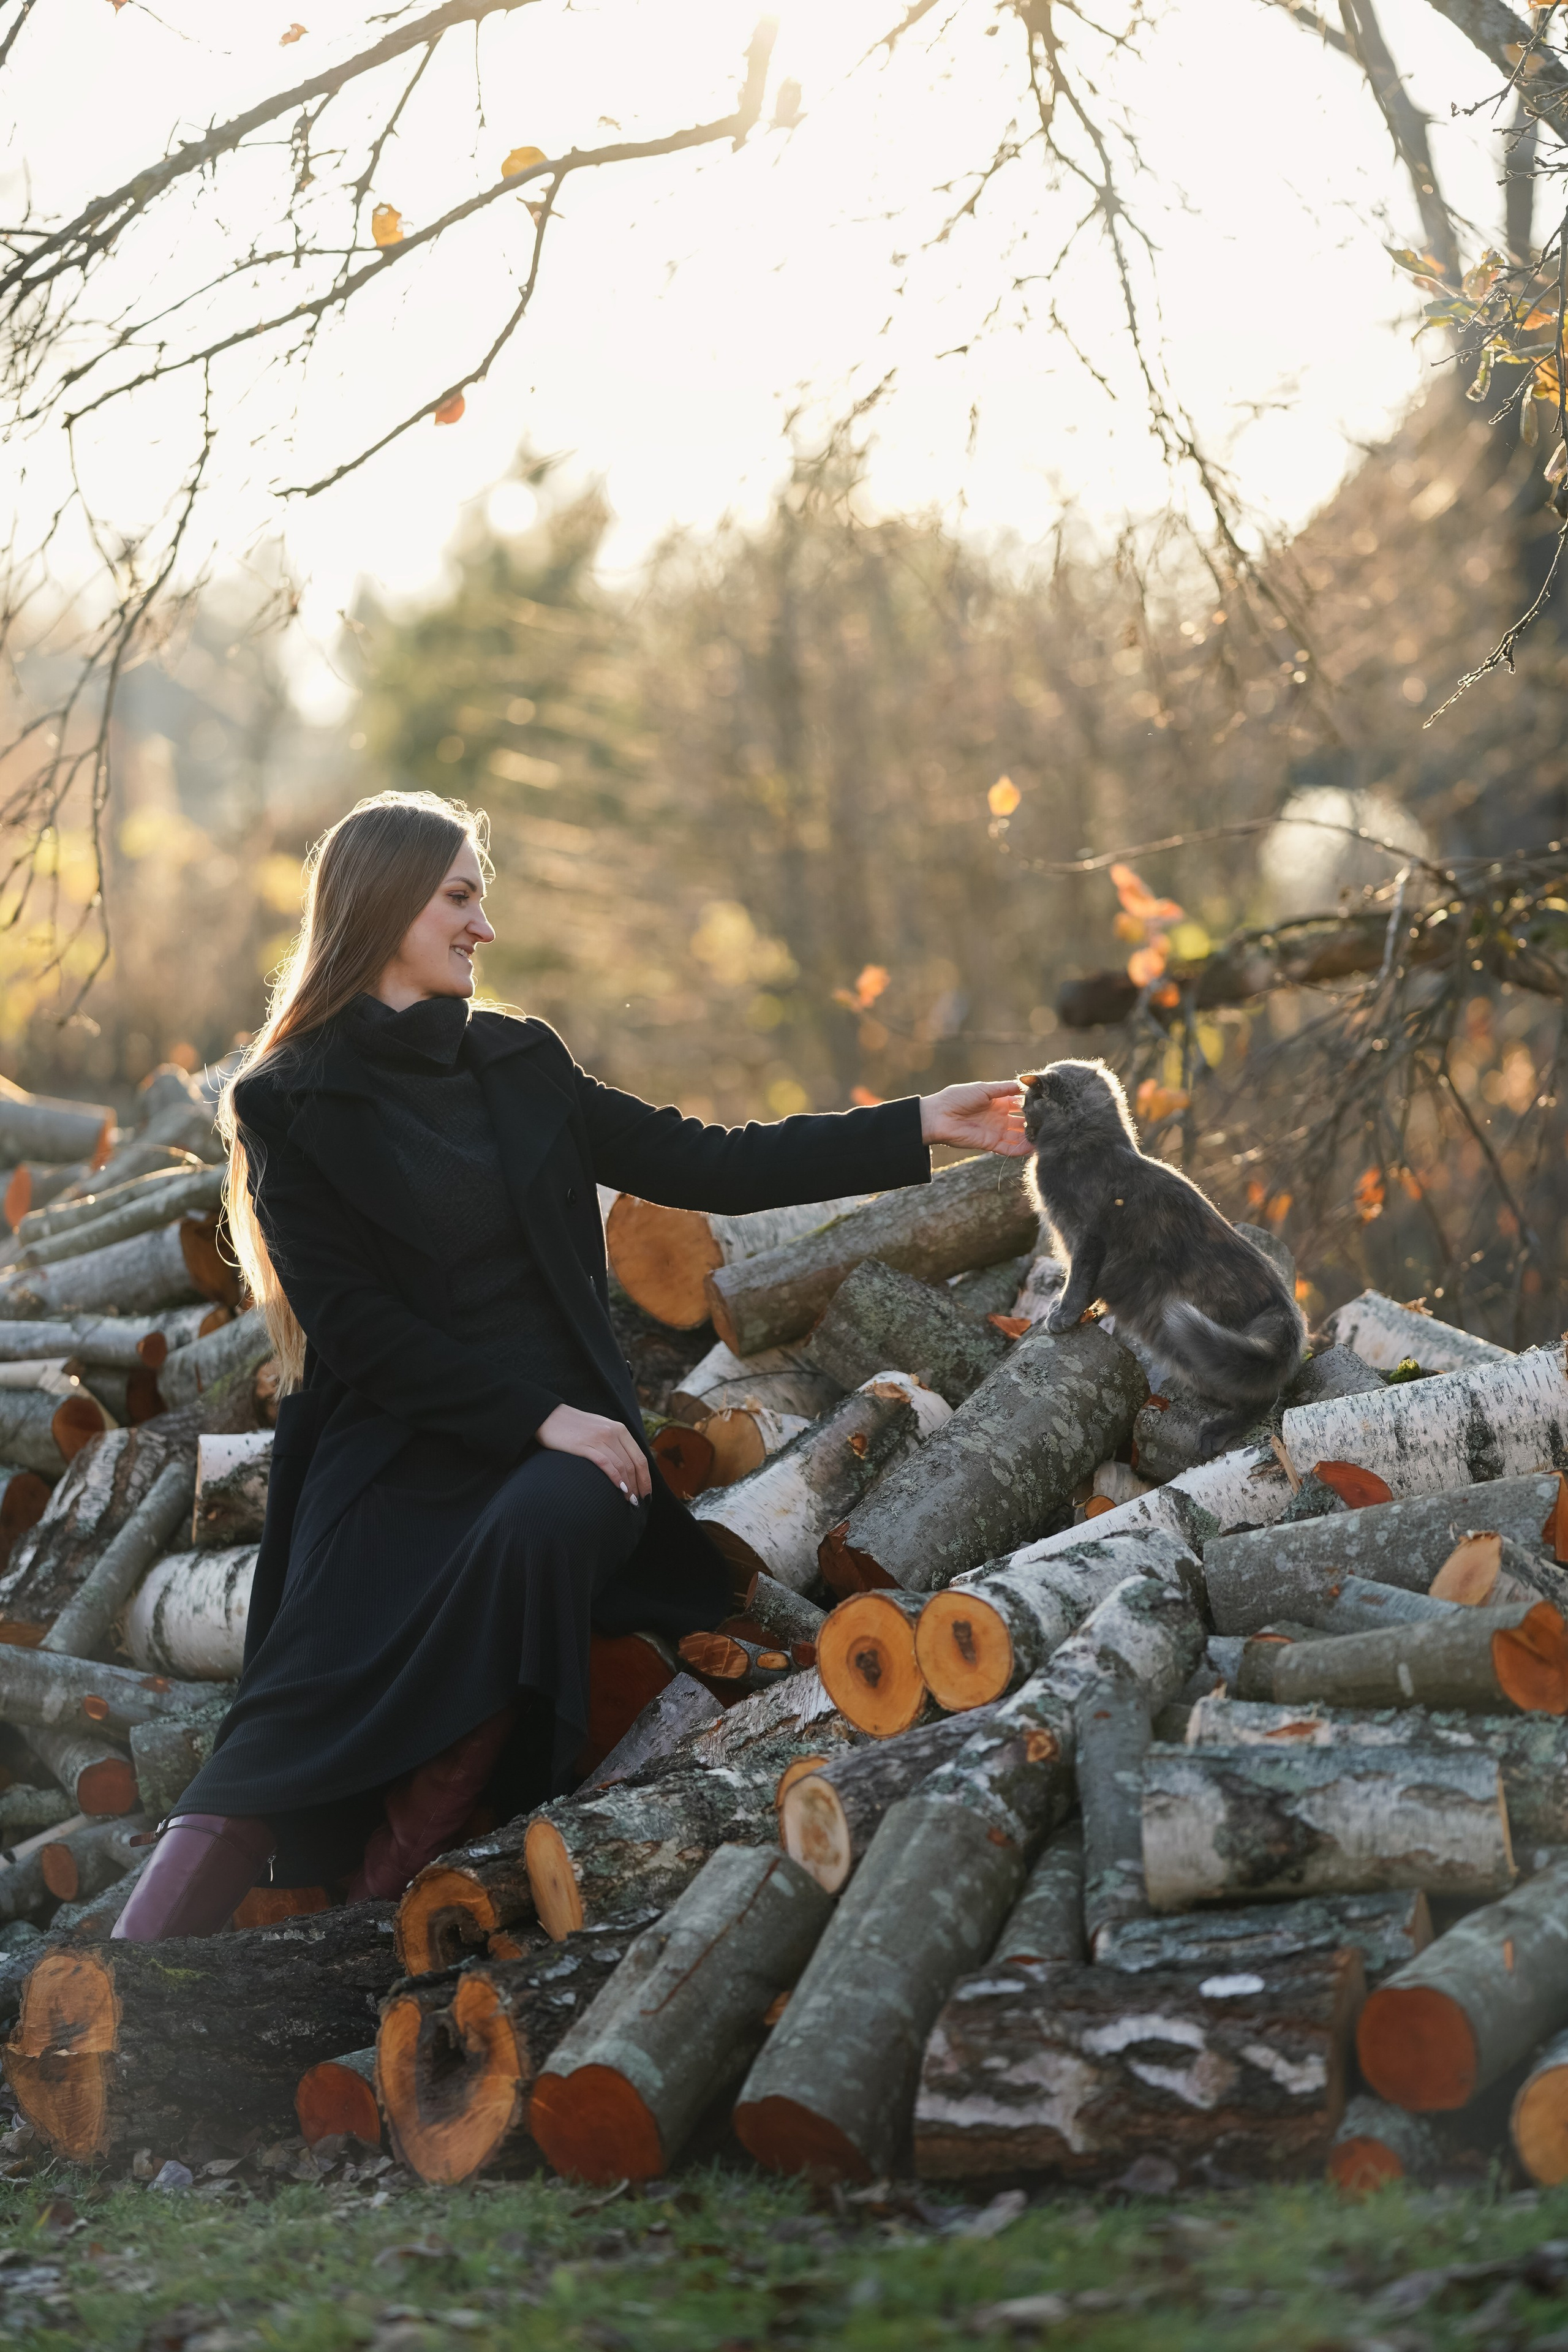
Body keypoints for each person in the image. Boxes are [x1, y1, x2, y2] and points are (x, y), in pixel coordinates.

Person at [115, 790, 1030, 1940]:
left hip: (554, 1467)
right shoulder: (289, 1101)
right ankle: (121, 1995)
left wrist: (918, 1125)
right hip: (388, 1463)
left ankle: (374, 1905)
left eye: (477, 899)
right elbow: (362, 1335)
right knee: (288, 1721)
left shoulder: (519, 1061)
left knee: (562, 1513)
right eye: (459, 897)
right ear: (386, 904)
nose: (481, 926)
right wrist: (543, 1417)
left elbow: (709, 1160)